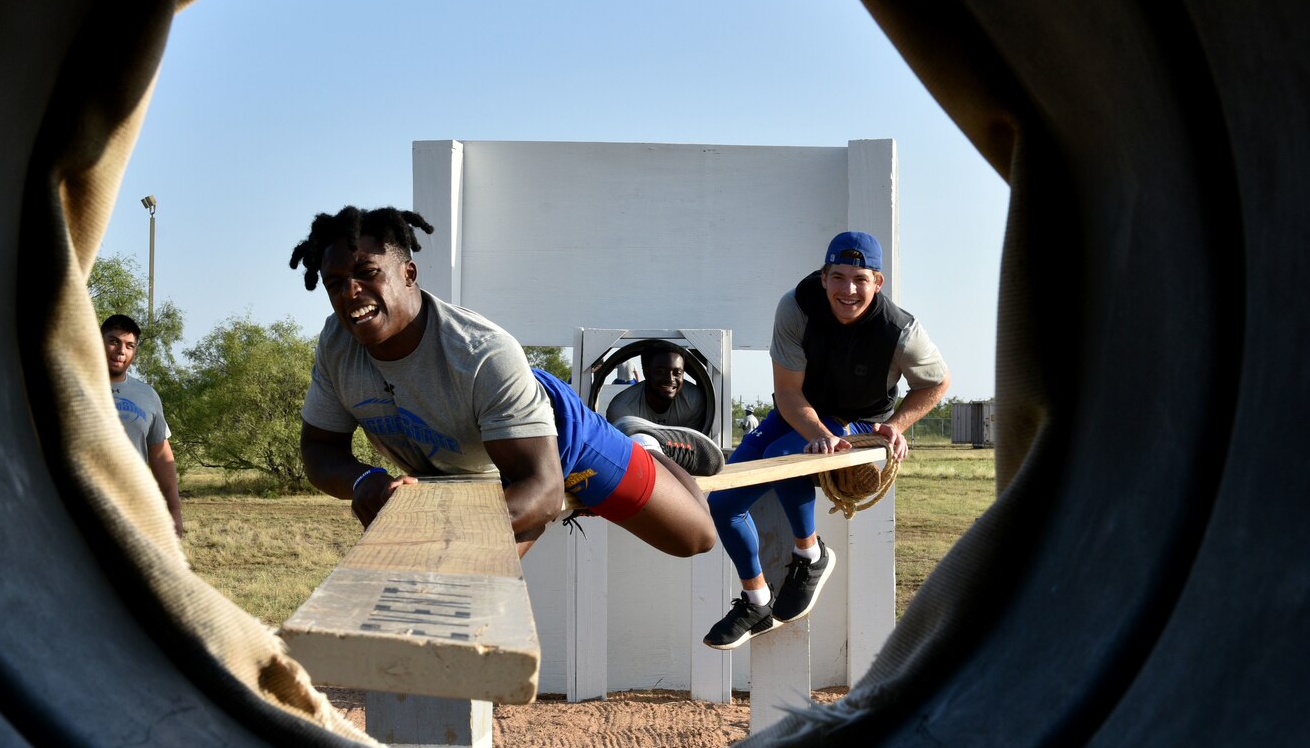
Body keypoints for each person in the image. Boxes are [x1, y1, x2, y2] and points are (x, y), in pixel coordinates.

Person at [290, 206, 719, 557]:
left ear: (409, 274)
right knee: (458, 583)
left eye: (367, 272)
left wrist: (432, 524)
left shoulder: (483, 353)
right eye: (335, 283)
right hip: (468, 470)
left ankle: (644, 444)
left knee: (695, 537)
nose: (349, 292)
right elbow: (319, 449)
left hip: (553, 444)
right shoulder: (336, 346)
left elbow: (545, 493)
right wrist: (365, 481)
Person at [702, 230, 949, 649]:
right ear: (823, 277)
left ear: (877, 282)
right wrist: (818, 434)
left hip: (859, 420)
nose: (848, 289)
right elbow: (788, 392)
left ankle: (809, 555)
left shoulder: (900, 330)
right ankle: (757, 600)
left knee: (786, 456)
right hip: (800, 411)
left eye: (859, 278)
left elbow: (936, 383)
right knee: (722, 501)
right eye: (838, 277)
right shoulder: (796, 306)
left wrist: (898, 425)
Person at [103, 313, 186, 538]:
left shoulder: (147, 396)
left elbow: (161, 457)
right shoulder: (69, 386)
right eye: (113, 341)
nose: (121, 351)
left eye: (129, 345)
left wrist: (174, 510)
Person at [603, 345, 723, 474]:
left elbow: (692, 449)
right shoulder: (622, 407)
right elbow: (623, 457)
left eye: (677, 373)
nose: (670, 379)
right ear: (646, 372)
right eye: (661, 372)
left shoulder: (693, 400)